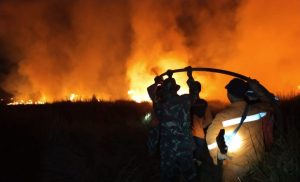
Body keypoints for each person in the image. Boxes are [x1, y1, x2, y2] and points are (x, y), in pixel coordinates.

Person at [206, 78, 274, 181]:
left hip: (235, 167)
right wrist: (257, 87)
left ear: (229, 95)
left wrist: (217, 155)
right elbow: (271, 103)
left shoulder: (222, 116)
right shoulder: (257, 110)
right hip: (257, 163)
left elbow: (210, 138)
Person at [148, 67, 200, 182]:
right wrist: (190, 76)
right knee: (190, 177)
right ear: (176, 89)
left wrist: (157, 82)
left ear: (165, 91)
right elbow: (195, 92)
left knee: (168, 177)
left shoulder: (160, 104)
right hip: (185, 147)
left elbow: (150, 91)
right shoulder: (185, 100)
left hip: (167, 150)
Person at [191, 81, 213, 165]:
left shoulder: (185, 102)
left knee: (190, 157)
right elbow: (209, 120)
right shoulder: (203, 103)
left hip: (188, 135)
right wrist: (200, 126)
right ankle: (198, 172)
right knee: (198, 158)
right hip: (199, 135)